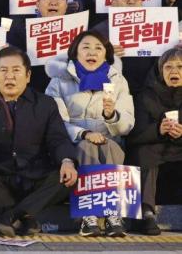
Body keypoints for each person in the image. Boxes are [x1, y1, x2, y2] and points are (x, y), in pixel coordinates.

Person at [0, 47, 78, 237]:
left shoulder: (45, 104)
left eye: (16, 70)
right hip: (0, 180)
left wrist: (67, 161)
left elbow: (57, 139)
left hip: (35, 176)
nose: (10, 76)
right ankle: (25, 216)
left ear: (28, 75)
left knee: (67, 178)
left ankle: (10, 216)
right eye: (4, 71)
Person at [45, 31, 133, 237]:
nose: (91, 52)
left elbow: (127, 124)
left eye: (98, 48)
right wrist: (84, 133)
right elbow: (56, 123)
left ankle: (112, 215)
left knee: (109, 146)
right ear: (75, 52)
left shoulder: (118, 81)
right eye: (85, 47)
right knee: (87, 146)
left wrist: (111, 116)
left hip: (109, 141)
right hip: (72, 142)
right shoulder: (59, 81)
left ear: (106, 55)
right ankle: (90, 215)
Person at [127, 48, 182, 236]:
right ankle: (147, 213)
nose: (174, 71)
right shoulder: (145, 95)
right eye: (168, 67)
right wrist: (158, 130)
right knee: (145, 153)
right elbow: (134, 135)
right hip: (155, 149)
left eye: (180, 66)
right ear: (160, 70)